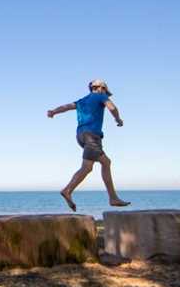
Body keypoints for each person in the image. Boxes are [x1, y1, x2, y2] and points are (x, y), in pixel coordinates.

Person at [47, 79, 130, 211]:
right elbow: (112, 107)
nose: (106, 94)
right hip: (92, 136)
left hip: (80, 136)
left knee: (95, 165)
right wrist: (118, 119)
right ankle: (70, 190)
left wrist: (53, 112)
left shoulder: (82, 100)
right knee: (97, 165)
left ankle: (70, 190)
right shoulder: (100, 95)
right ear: (101, 88)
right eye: (105, 91)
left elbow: (67, 107)